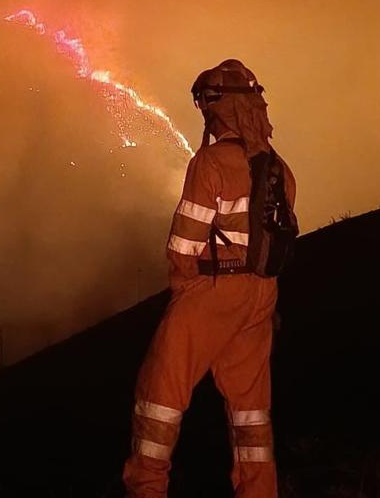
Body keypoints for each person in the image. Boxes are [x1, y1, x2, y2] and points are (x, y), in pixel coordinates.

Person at [122, 59, 297, 498]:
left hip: (214, 289)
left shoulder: (211, 164)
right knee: (251, 412)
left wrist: (187, 295)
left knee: (159, 393)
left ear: (219, 109)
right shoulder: (279, 169)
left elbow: (183, 246)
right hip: (262, 294)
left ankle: (146, 489)